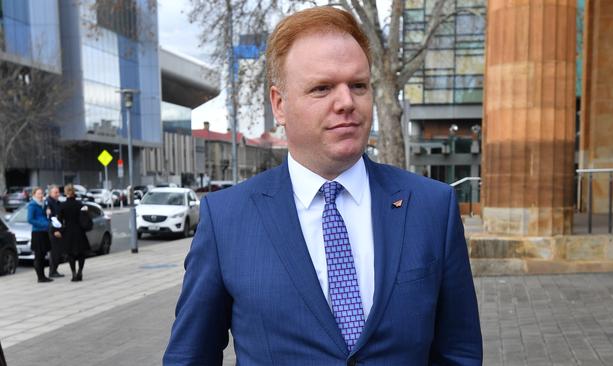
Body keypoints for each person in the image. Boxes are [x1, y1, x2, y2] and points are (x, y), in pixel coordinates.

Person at [164, 6, 482, 365]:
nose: (346, 102)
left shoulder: (431, 207)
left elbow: (459, 351)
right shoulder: (226, 220)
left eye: (358, 85)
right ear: (280, 105)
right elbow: (190, 356)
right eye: (322, 88)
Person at [58, 184, 90, 282]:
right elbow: (85, 217)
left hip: (68, 232)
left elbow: (59, 220)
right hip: (79, 231)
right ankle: (80, 271)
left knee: (70, 254)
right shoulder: (79, 204)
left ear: (65, 192)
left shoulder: (62, 205)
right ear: (74, 192)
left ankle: (74, 273)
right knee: (81, 253)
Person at [27, 187, 52, 283]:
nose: (41, 195)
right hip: (37, 232)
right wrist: (44, 224)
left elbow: (43, 216)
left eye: (41, 193)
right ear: (34, 195)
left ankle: (43, 276)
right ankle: (40, 277)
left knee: (43, 255)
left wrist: (47, 214)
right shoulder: (32, 205)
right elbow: (30, 219)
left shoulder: (43, 204)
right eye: (39, 193)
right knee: (38, 256)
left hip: (44, 232)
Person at [45, 185, 64, 278]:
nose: (57, 194)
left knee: (58, 252)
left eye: (58, 192)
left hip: (59, 230)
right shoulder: (48, 203)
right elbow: (49, 219)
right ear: (50, 193)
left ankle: (55, 270)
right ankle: (52, 271)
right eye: (55, 192)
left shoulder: (58, 203)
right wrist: (54, 231)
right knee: (54, 252)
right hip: (52, 232)